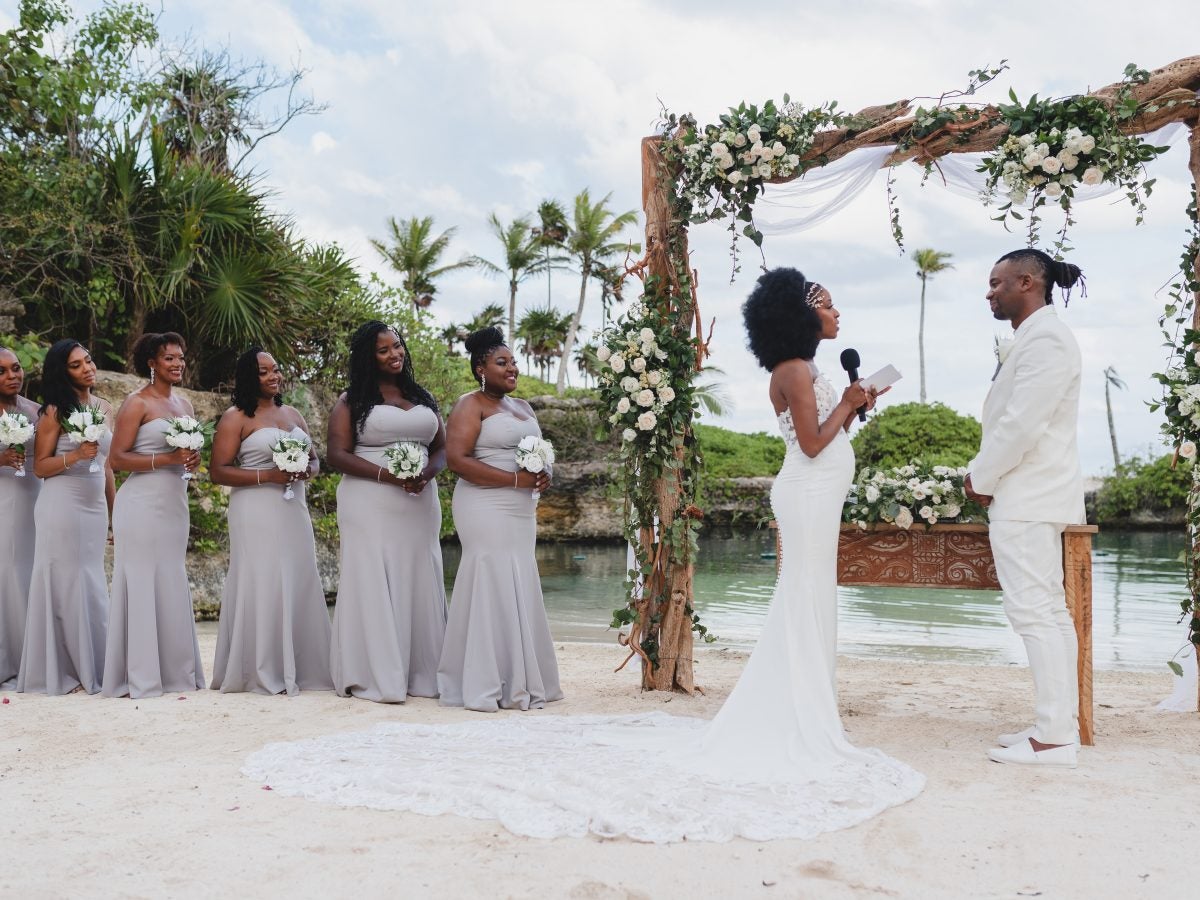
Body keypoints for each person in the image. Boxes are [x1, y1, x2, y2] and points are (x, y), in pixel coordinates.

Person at [242, 273, 923, 842]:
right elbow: (810, 442)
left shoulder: (800, 369)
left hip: (535, 502)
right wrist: (855, 401)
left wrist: (855, 408)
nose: (834, 309)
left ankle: (805, 699)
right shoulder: (799, 369)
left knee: (807, 597)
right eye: (825, 300)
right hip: (477, 503)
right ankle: (796, 706)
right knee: (803, 594)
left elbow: (820, 437)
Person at [965, 248, 1086, 768]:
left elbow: (1021, 424)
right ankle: (1054, 724)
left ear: (1028, 282)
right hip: (1036, 494)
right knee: (1048, 614)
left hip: (1028, 495)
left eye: (997, 283)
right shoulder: (1035, 338)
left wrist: (981, 476)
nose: (989, 292)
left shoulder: (1048, 340)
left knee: (1036, 614)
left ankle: (1057, 738)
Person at [436, 326, 561, 712]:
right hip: (484, 504)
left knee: (519, 578)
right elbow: (456, 461)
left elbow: (540, 453)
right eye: (501, 363)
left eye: (513, 362)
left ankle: (519, 676)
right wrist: (513, 479)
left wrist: (545, 474)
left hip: (521, 507)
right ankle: (483, 680)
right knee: (490, 575)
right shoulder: (470, 405)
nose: (512, 369)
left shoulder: (523, 407)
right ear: (480, 369)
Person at [328, 322, 447, 702]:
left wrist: (426, 473)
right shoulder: (351, 401)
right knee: (372, 575)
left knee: (418, 572)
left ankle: (420, 671)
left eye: (397, 346)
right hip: (369, 502)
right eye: (383, 350)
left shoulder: (423, 396)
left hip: (419, 503)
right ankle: (374, 671)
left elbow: (443, 448)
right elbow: (337, 455)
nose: (394, 354)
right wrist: (389, 476)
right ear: (368, 356)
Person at [209, 348, 333, 695]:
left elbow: (315, 460)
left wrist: (307, 470)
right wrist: (269, 476)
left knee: (299, 573)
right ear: (250, 377)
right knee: (261, 577)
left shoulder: (292, 413)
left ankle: (305, 666)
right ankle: (260, 669)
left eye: (276, 370)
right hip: (256, 508)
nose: (274, 376)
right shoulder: (236, 418)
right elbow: (218, 471)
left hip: (294, 508)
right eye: (265, 372)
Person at [102, 332, 205, 698]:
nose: (178, 364)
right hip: (141, 504)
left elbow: (186, 457)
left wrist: (191, 460)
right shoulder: (136, 403)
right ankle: (142, 676)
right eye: (169, 359)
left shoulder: (186, 406)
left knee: (170, 579)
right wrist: (168, 459)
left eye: (181, 358)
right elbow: (116, 459)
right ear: (152, 363)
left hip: (175, 503)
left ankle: (176, 673)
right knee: (143, 580)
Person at [17, 340, 114, 695]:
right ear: (64, 372)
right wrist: (75, 456)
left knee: (90, 580)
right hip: (61, 502)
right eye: (77, 365)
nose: (87, 367)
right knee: (64, 581)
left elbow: (107, 467)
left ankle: (98, 664)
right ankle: (66, 670)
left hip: (93, 507)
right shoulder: (54, 411)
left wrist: (114, 512)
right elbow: (40, 467)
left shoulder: (103, 406)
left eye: (88, 360)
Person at [0, 347, 41, 688]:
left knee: (30, 572)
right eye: (3, 372)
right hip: (4, 499)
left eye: (15, 368)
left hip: (35, 496)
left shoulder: (35, 411)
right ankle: (11, 659)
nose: (12, 376)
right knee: (9, 572)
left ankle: (35, 656)